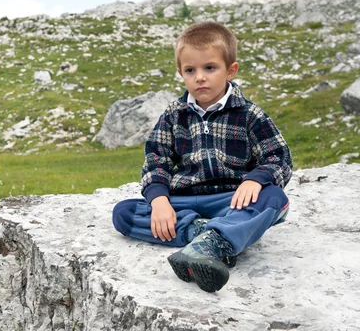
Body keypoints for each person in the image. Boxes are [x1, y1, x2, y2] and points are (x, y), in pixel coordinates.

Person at [112, 21, 292, 293]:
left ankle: (212, 240)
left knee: (274, 198)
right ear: (181, 73)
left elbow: (279, 157)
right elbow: (155, 159)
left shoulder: (249, 114)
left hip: (231, 198)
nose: (200, 77)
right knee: (123, 213)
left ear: (230, 70)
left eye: (210, 68)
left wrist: (256, 180)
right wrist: (160, 200)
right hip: (184, 200)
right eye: (190, 70)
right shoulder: (175, 115)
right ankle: (207, 238)